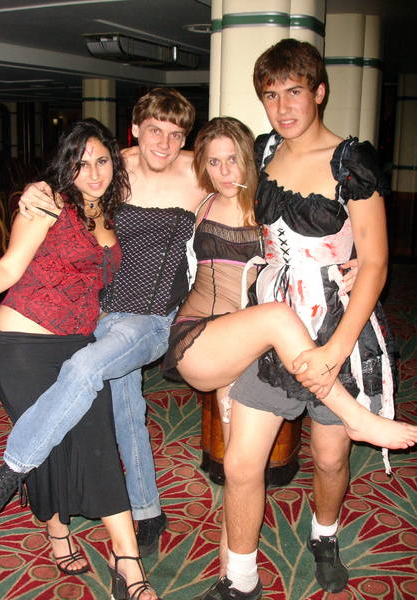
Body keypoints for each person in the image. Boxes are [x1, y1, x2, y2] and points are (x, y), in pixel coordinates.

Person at [183, 39, 417, 600]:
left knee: (330, 458)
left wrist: (336, 348)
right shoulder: (261, 152)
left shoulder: (350, 161)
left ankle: (324, 536)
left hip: (337, 322)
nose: (283, 107)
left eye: (294, 92)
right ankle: (240, 580)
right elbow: (200, 174)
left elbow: (376, 262)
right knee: (242, 463)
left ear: (319, 92)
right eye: (271, 95)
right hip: (270, 322)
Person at [0, 88, 205, 558]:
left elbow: (245, 196)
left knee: (88, 375)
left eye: (176, 134)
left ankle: (13, 468)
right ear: (134, 131)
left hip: (149, 317)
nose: (164, 143)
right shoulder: (114, 168)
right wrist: (36, 188)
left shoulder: (199, 173)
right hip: (99, 317)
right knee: (125, 413)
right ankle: (146, 510)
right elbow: (73, 171)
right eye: (154, 130)